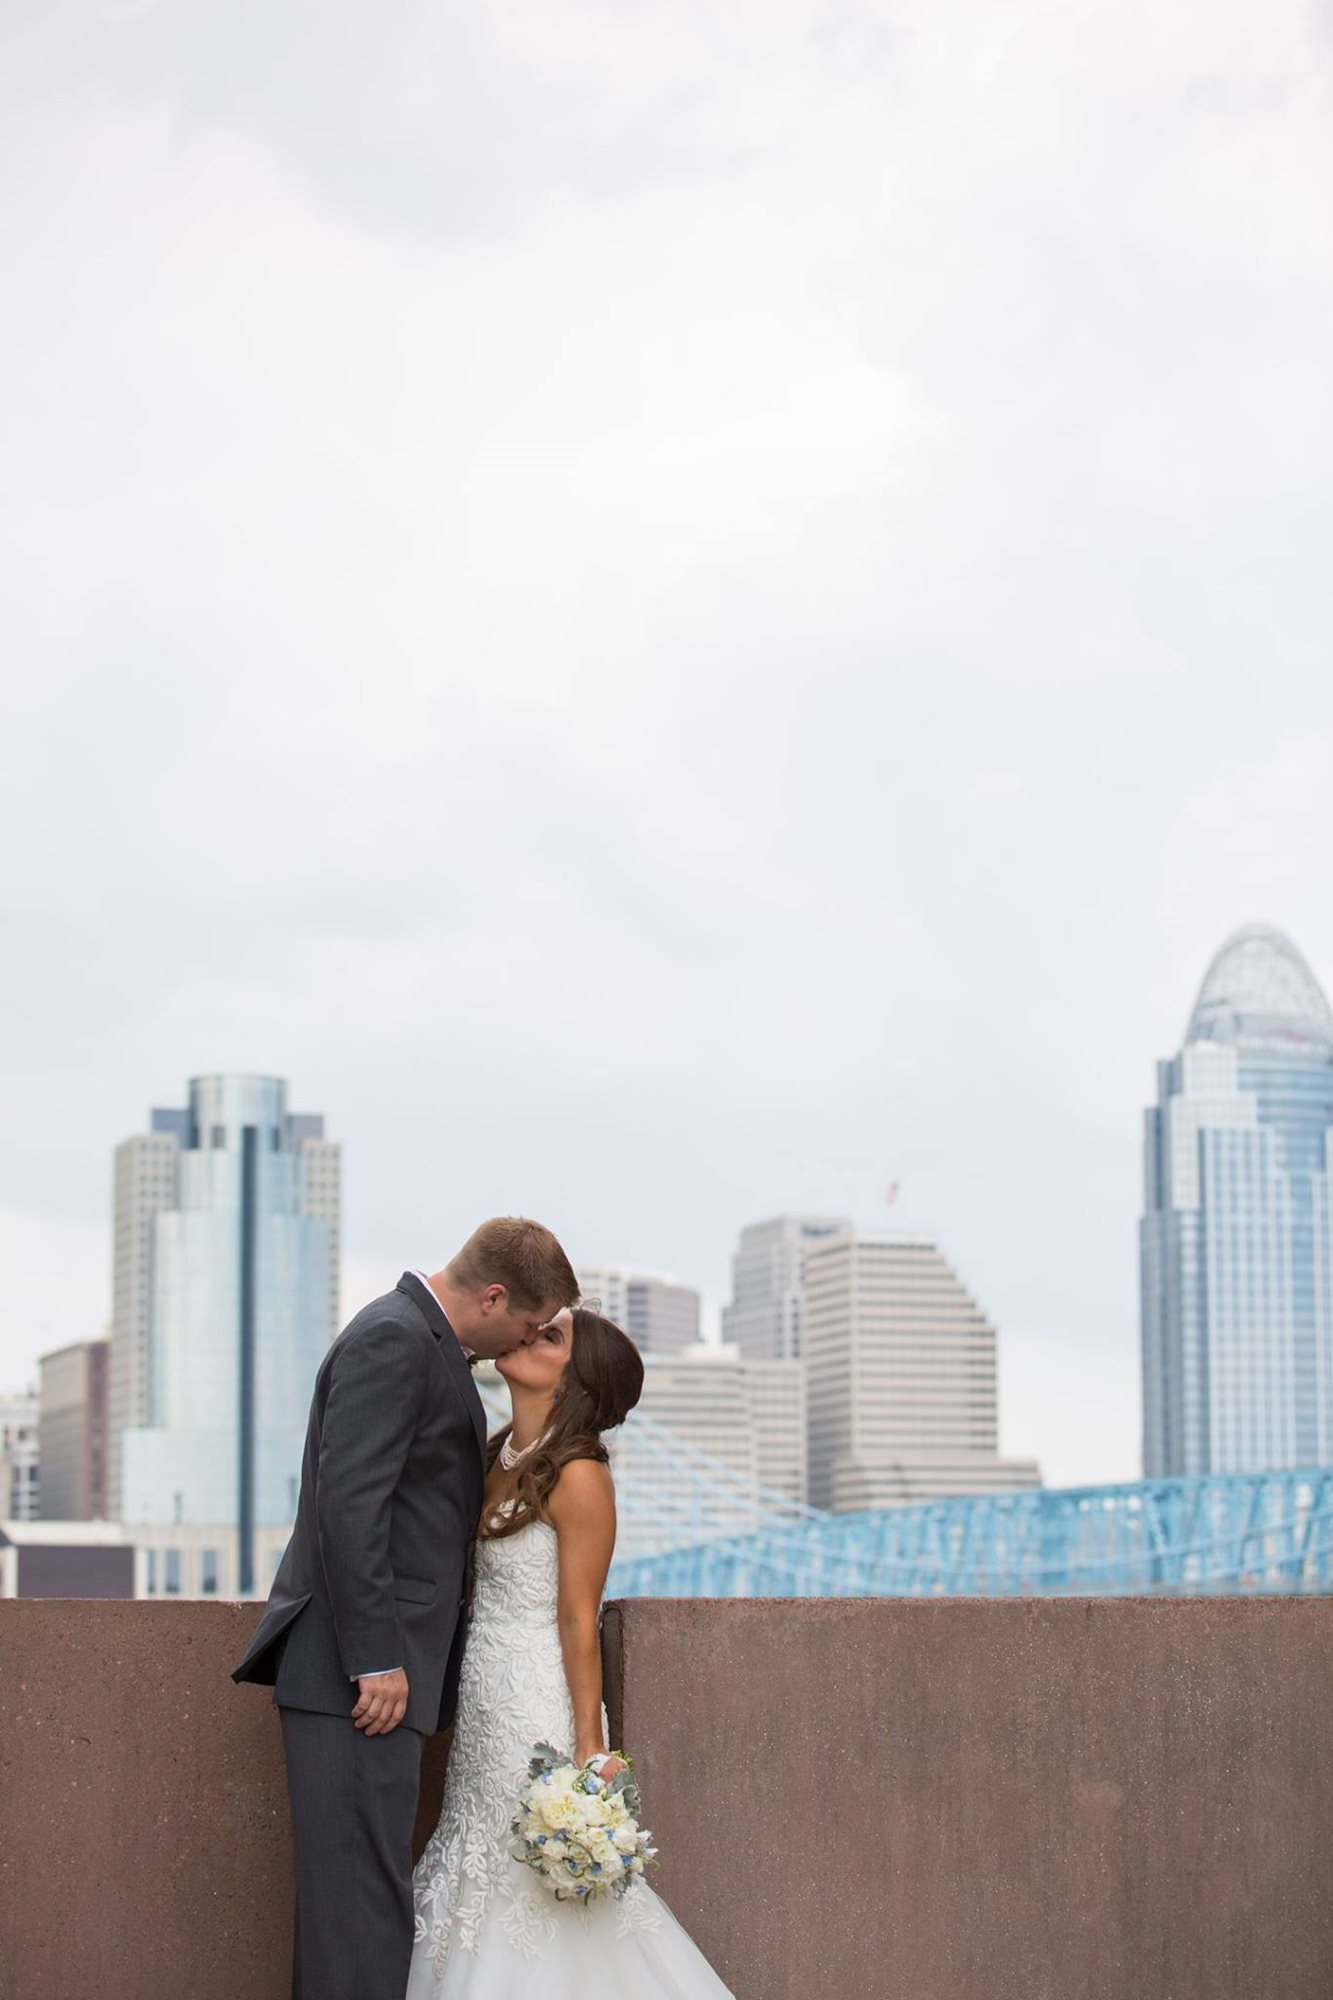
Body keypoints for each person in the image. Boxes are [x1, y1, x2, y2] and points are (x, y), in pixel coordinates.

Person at [232, 1217, 580, 2000]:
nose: (524, 1340)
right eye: (526, 1323)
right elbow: (349, 1507)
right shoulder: (394, 1338)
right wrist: (375, 1658)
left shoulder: (422, 1342)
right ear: (493, 1296)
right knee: (357, 1907)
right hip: (356, 1680)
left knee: (357, 1905)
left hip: (374, 1678)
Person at [407, 1305, 734, 1997]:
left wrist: (589, 1750)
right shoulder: (498, 1455)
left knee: (526, 1876)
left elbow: (577, 1619)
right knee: (475, 1858)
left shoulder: (580, 1475)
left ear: (574, 1381)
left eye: (548, 1336)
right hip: (481, 1696)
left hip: (535, 1703)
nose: (526, 1335)